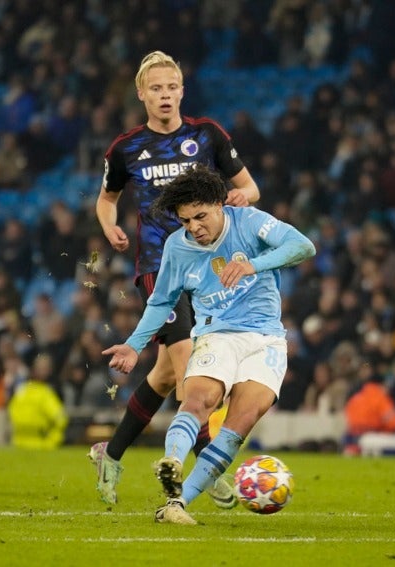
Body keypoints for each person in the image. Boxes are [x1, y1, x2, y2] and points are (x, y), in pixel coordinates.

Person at [89, 50, 260, 506]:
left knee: (166, 375)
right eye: (156, 88)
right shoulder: (126, 147)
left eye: (172, 87)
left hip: (210, 270)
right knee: (190, 369)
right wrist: (109, 226)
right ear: (142, 94)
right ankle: (206, 467)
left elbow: (250, 186)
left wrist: (242, 195)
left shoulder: (207, 135)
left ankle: (111, 452)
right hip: (159, 269)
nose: (165, 95)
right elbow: (107, 199)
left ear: (182, 91)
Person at [102, 165, 315, 525]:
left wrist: (254, 265)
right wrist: (134, 345)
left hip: (266, 341)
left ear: (219, 204)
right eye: (185, 221)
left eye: (200, 216)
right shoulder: (177, 247)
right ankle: (171, 461)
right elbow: (161, 302)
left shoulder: (249, 222)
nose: (194, 227)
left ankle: (176, 505)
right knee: (199, 400)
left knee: (239, 424)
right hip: (216, 334)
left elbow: (303, 246)